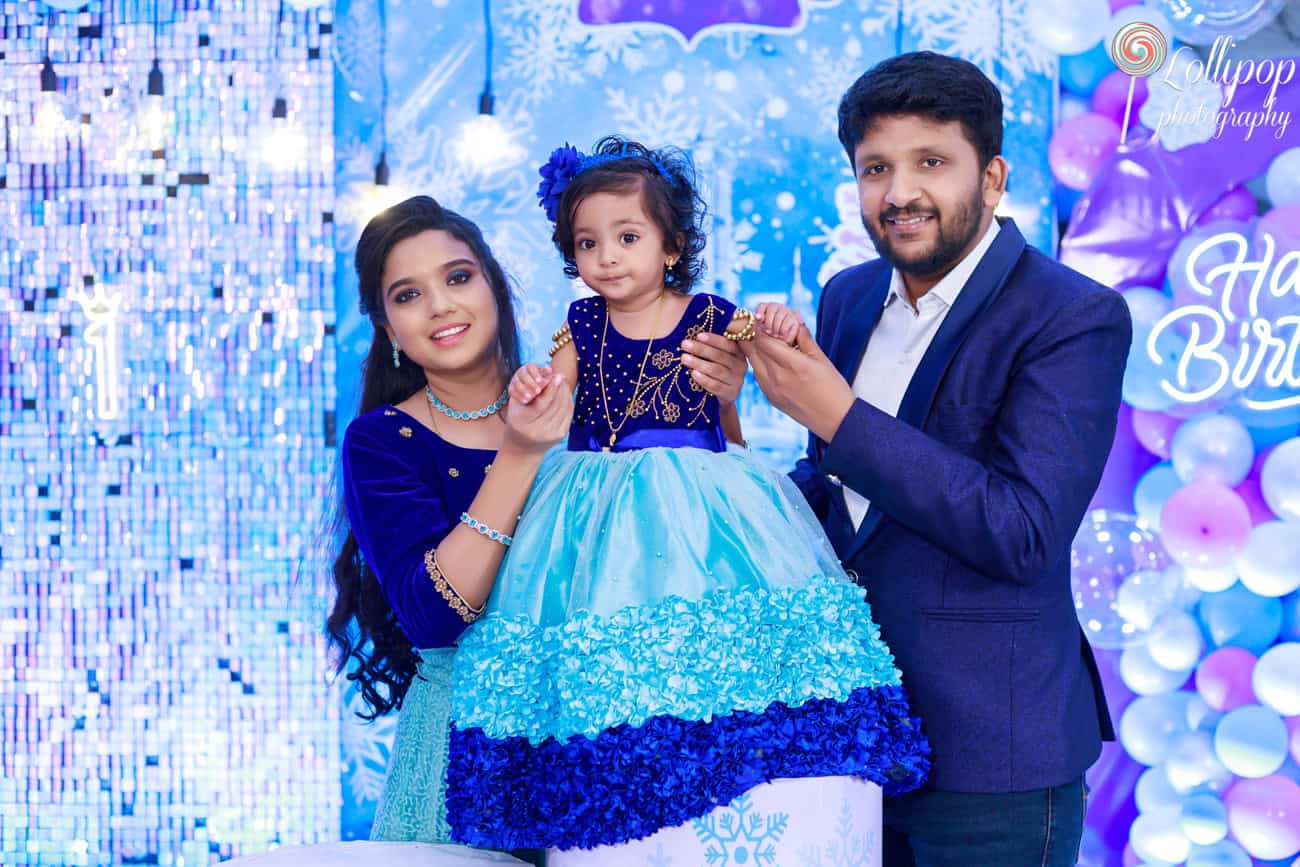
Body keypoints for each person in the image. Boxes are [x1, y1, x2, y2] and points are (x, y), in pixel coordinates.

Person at [441, 136, 931, 857]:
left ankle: (724, 763)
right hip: (592, 503)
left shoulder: (708, 314)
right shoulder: (580, 325)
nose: (606, 256)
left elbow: (743, 390)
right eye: (587, 242)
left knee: (724, 633)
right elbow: (556, 398)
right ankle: (615, 767)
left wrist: (779, 330)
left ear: (670, 246)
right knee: (601, 635)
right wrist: (532, 390)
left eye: (627, 236)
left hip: (703, 495)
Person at [728, 52, 1131, 865]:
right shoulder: (846, 295)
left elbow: (1023, 529)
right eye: (876, 168)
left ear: (992, 178)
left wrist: (836, 415)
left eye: (931, 163)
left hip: (995, 759)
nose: (900, 192)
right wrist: (727, 431)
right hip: (851, 738)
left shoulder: (1073, 315)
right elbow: (840, 501)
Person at [325, 195, 575, 849]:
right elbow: (434, 615)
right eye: (409, 295)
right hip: (462, 757)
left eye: (458, 277)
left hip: (589, 730)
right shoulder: (381, 441)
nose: (440, 305)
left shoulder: (576, 406)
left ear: (493, 283)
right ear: (387, 327)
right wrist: (521, 452)